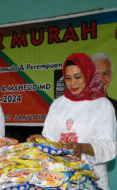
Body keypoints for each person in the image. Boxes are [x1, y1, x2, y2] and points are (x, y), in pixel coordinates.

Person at [27, 53, 116, 190]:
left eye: (78, 77)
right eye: (68, 78)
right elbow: (51, 140)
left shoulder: (102, 105)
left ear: (88, 74)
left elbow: (108, 146)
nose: (72, 83)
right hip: (60, 180)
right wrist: (41, 141)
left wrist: (82, 147)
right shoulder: (58, 104)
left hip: (92, 180)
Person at [91, 53, 117, 119]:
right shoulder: (77, 106)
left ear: (111, 75)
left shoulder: (115, 107)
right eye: (96, 74)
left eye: (105, 74)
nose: (101, 79)